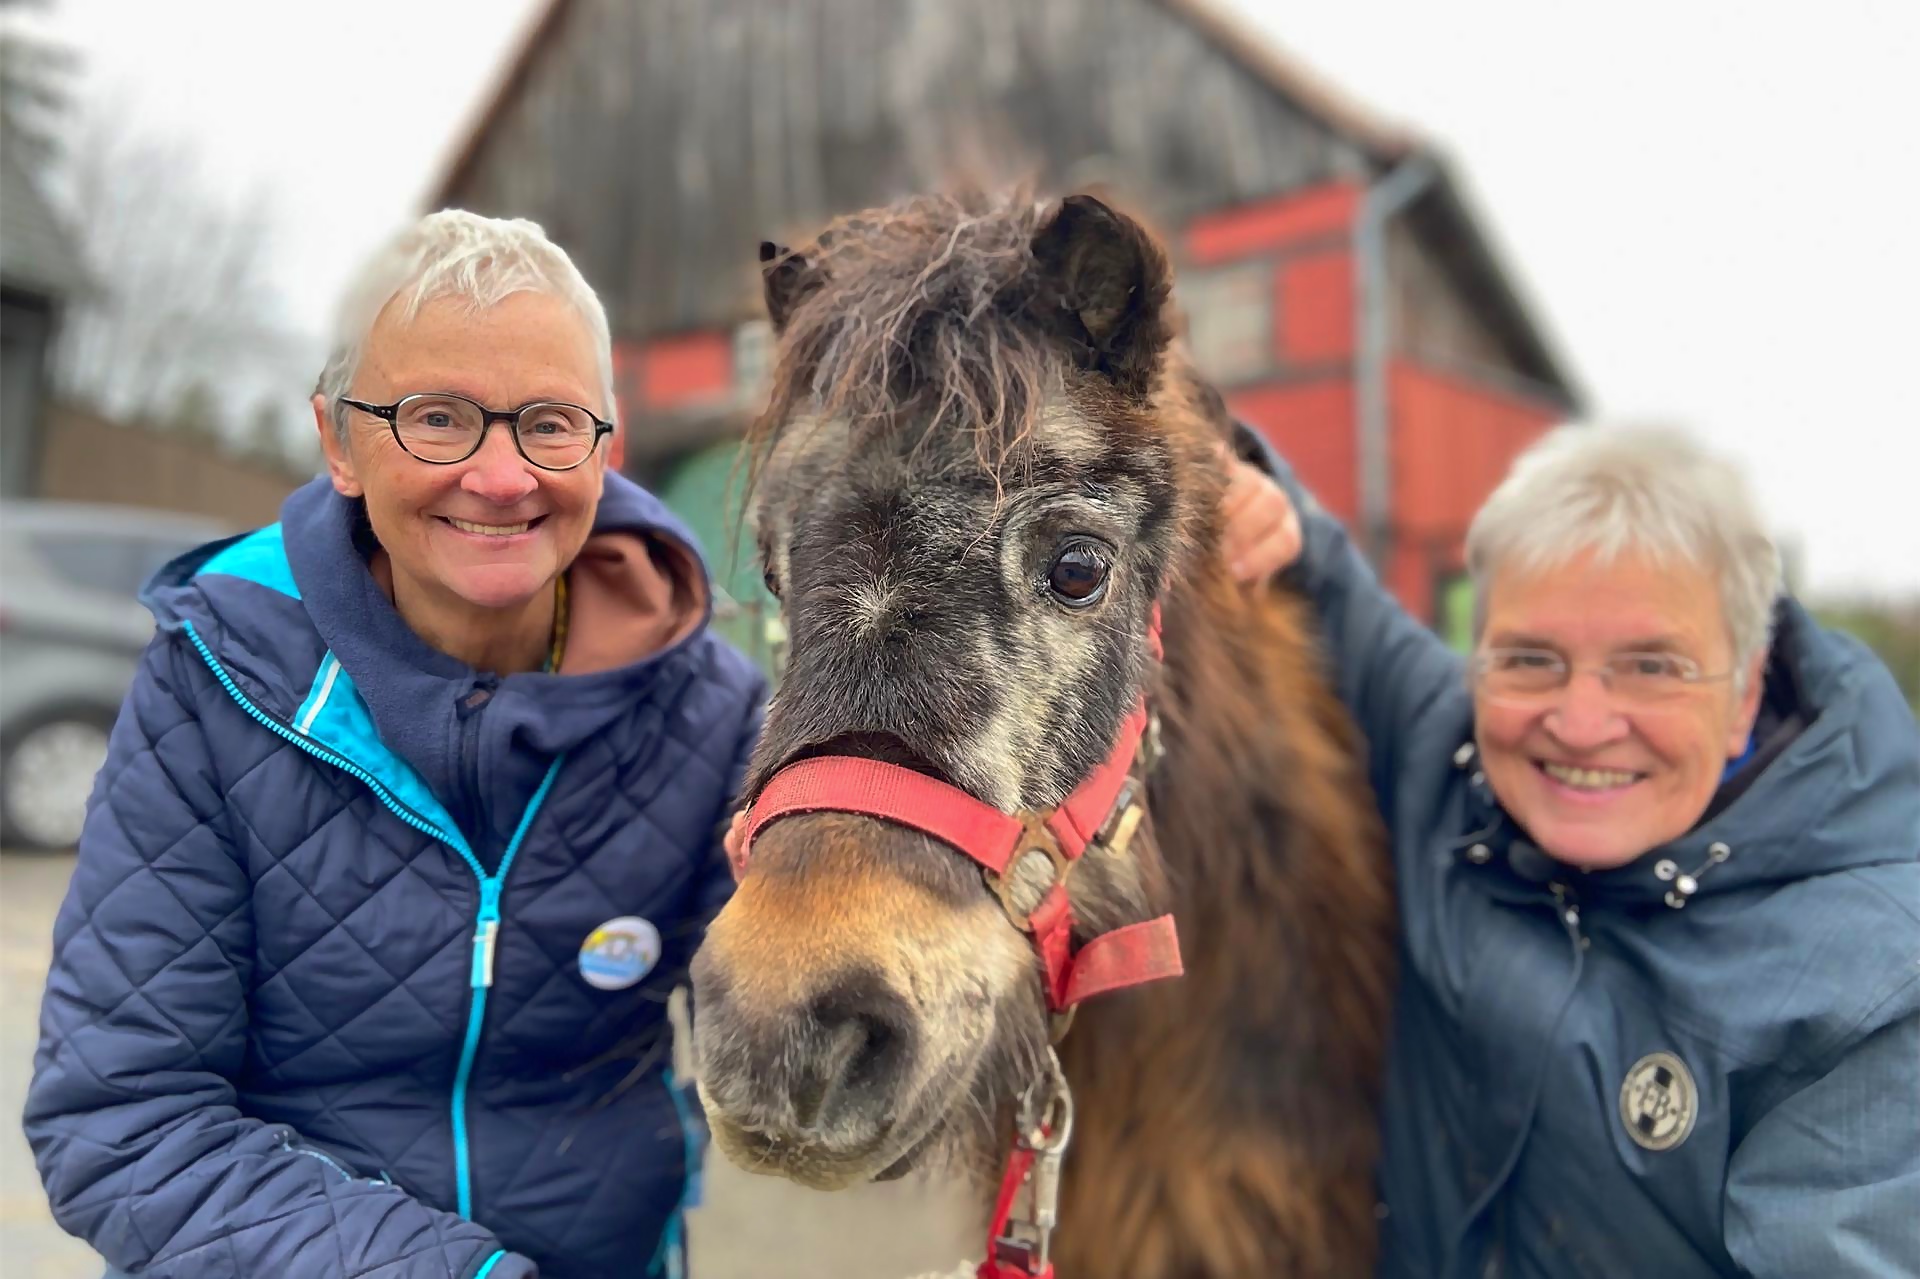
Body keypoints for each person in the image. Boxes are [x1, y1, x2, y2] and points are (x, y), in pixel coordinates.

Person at [23, 211, 768, 1278]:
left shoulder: (705, 704)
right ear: (339, 440)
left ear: (607, 445)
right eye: (438, 418)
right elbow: (124, 1120)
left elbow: (802, 1039)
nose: (503, 475)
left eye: (551, 423)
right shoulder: (218, 683)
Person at [1232, 422, 1920, 1276]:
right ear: (1476, 662)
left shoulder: (1876, 985)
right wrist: (1242, 476)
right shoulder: (1447, 758)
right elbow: (1328, 577)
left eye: (1651, 667)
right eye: (1530, 659)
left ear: (1745, 691)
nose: (1583, 724)